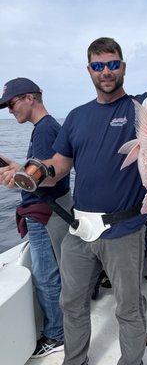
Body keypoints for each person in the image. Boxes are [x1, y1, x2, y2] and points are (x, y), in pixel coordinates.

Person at [34, 0, 147, 365]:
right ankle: (74, 360)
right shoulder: (75, 117)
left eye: (112, 64)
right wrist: (33, 172)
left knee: (129, 308)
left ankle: (133, 361)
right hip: (79, 231)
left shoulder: (144, 109)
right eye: (98, 66)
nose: (106, 71)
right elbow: (58, 168)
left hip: (124, 231)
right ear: (89, 70)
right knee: (70, 302)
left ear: (122, 67)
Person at [0, 78, 73, 358]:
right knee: (51, 272)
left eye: (12, 103)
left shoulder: (44, 131)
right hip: (49, 212)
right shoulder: (47, 128)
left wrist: (15, 179)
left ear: (30, 98)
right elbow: (41, 173)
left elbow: (45, 181)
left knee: (46, 276)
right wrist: (17, 170)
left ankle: (56, 334)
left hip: (43, 214)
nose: (9, 110)